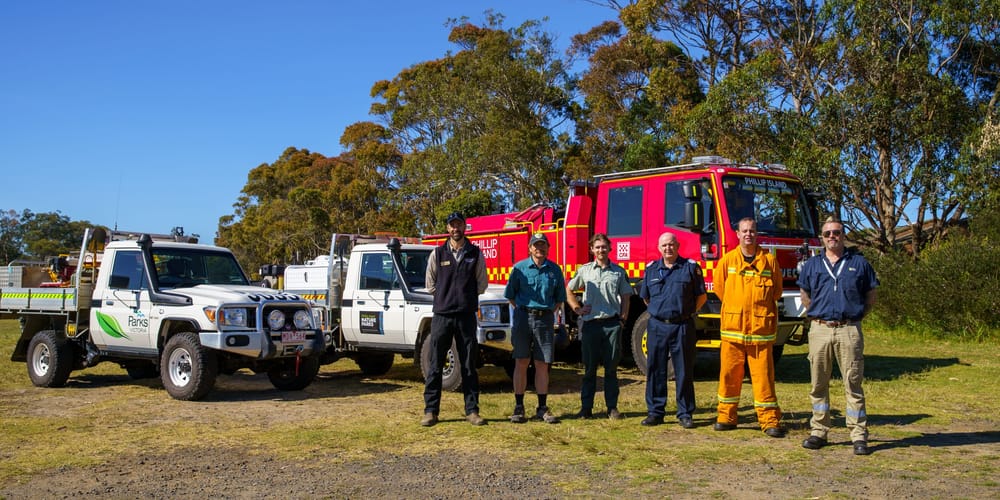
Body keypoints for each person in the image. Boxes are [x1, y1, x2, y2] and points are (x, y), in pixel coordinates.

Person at [797, 217, 878, 455]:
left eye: (837, 232)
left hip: (849, 329)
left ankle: (858, 435)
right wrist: (818, 316)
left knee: (853, 383)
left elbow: (871, 294)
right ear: (822, 237)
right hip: (820, 329)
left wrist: (857, 316)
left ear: (843, 235)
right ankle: (819, 431)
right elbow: (805, 294)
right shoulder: (812, 264)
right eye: (827, 233)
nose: (832, 236)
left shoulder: (859, 263)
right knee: (818, 383)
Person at [712, 217, 785, 437]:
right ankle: (726, 416)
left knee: (763, 379)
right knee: (729, 375)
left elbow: (777, 292)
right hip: (733, 331)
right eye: (744, 231)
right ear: (737, 234)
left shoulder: (769, 262)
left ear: (757, 234)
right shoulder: (727, 261)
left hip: (760, 332)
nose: (748, 235)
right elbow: (719, 288)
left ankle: (769, 420)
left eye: (752, 231)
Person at [421, 212, 489, 427]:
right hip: (442, 316)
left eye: (459, 224)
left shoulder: (475, 254)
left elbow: (482, 284)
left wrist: (464, 298)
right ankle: (431, 411)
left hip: (466, 316)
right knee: (435, 365)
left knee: (469, 365)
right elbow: (430, 284)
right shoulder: (438, 254)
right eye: (452, 225)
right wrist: (446, 297)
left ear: (465, 227)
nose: (455, 228)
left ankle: (472, 411)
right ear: (447, 228)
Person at [638, 232, 707, 427]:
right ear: (659, 248)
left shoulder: (690, 268)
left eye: (671, 244)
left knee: (683, 370)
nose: (668, 248)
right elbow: (646, 298)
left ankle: (685, 413)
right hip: (657, 325)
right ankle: (655, 412)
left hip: (682, 325)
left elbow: (700, 297)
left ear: (678, 246)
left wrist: (686, 312)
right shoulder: (651, 269)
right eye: (664, 245)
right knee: (655, 369)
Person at [565, 233, 633, 420]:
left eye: (604, 247)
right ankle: (586, 409)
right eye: (597, 247)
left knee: (611, 369)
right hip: (590, 326)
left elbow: (626, 296)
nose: (601, 250)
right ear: (591, 250)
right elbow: (569, 289)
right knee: (589, 370)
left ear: (609, 249)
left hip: (612, 325)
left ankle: (612, 408)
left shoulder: (618, 272)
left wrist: (623, 319)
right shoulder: (585, 270)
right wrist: (577, 308)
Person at [504, 232, 566, 424]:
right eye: (536, 245)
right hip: (523, 318)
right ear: (530, 248)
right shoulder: (519, 268)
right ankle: (519, 406)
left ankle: (542, 407)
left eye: (543, 245)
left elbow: (559, 299)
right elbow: (511, 295)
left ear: (548, 247)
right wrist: (525, 311)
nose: (540, 248)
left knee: (542, 364)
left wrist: (545, 313)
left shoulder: (555, 270)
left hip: (545, 320)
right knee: (521, 361)